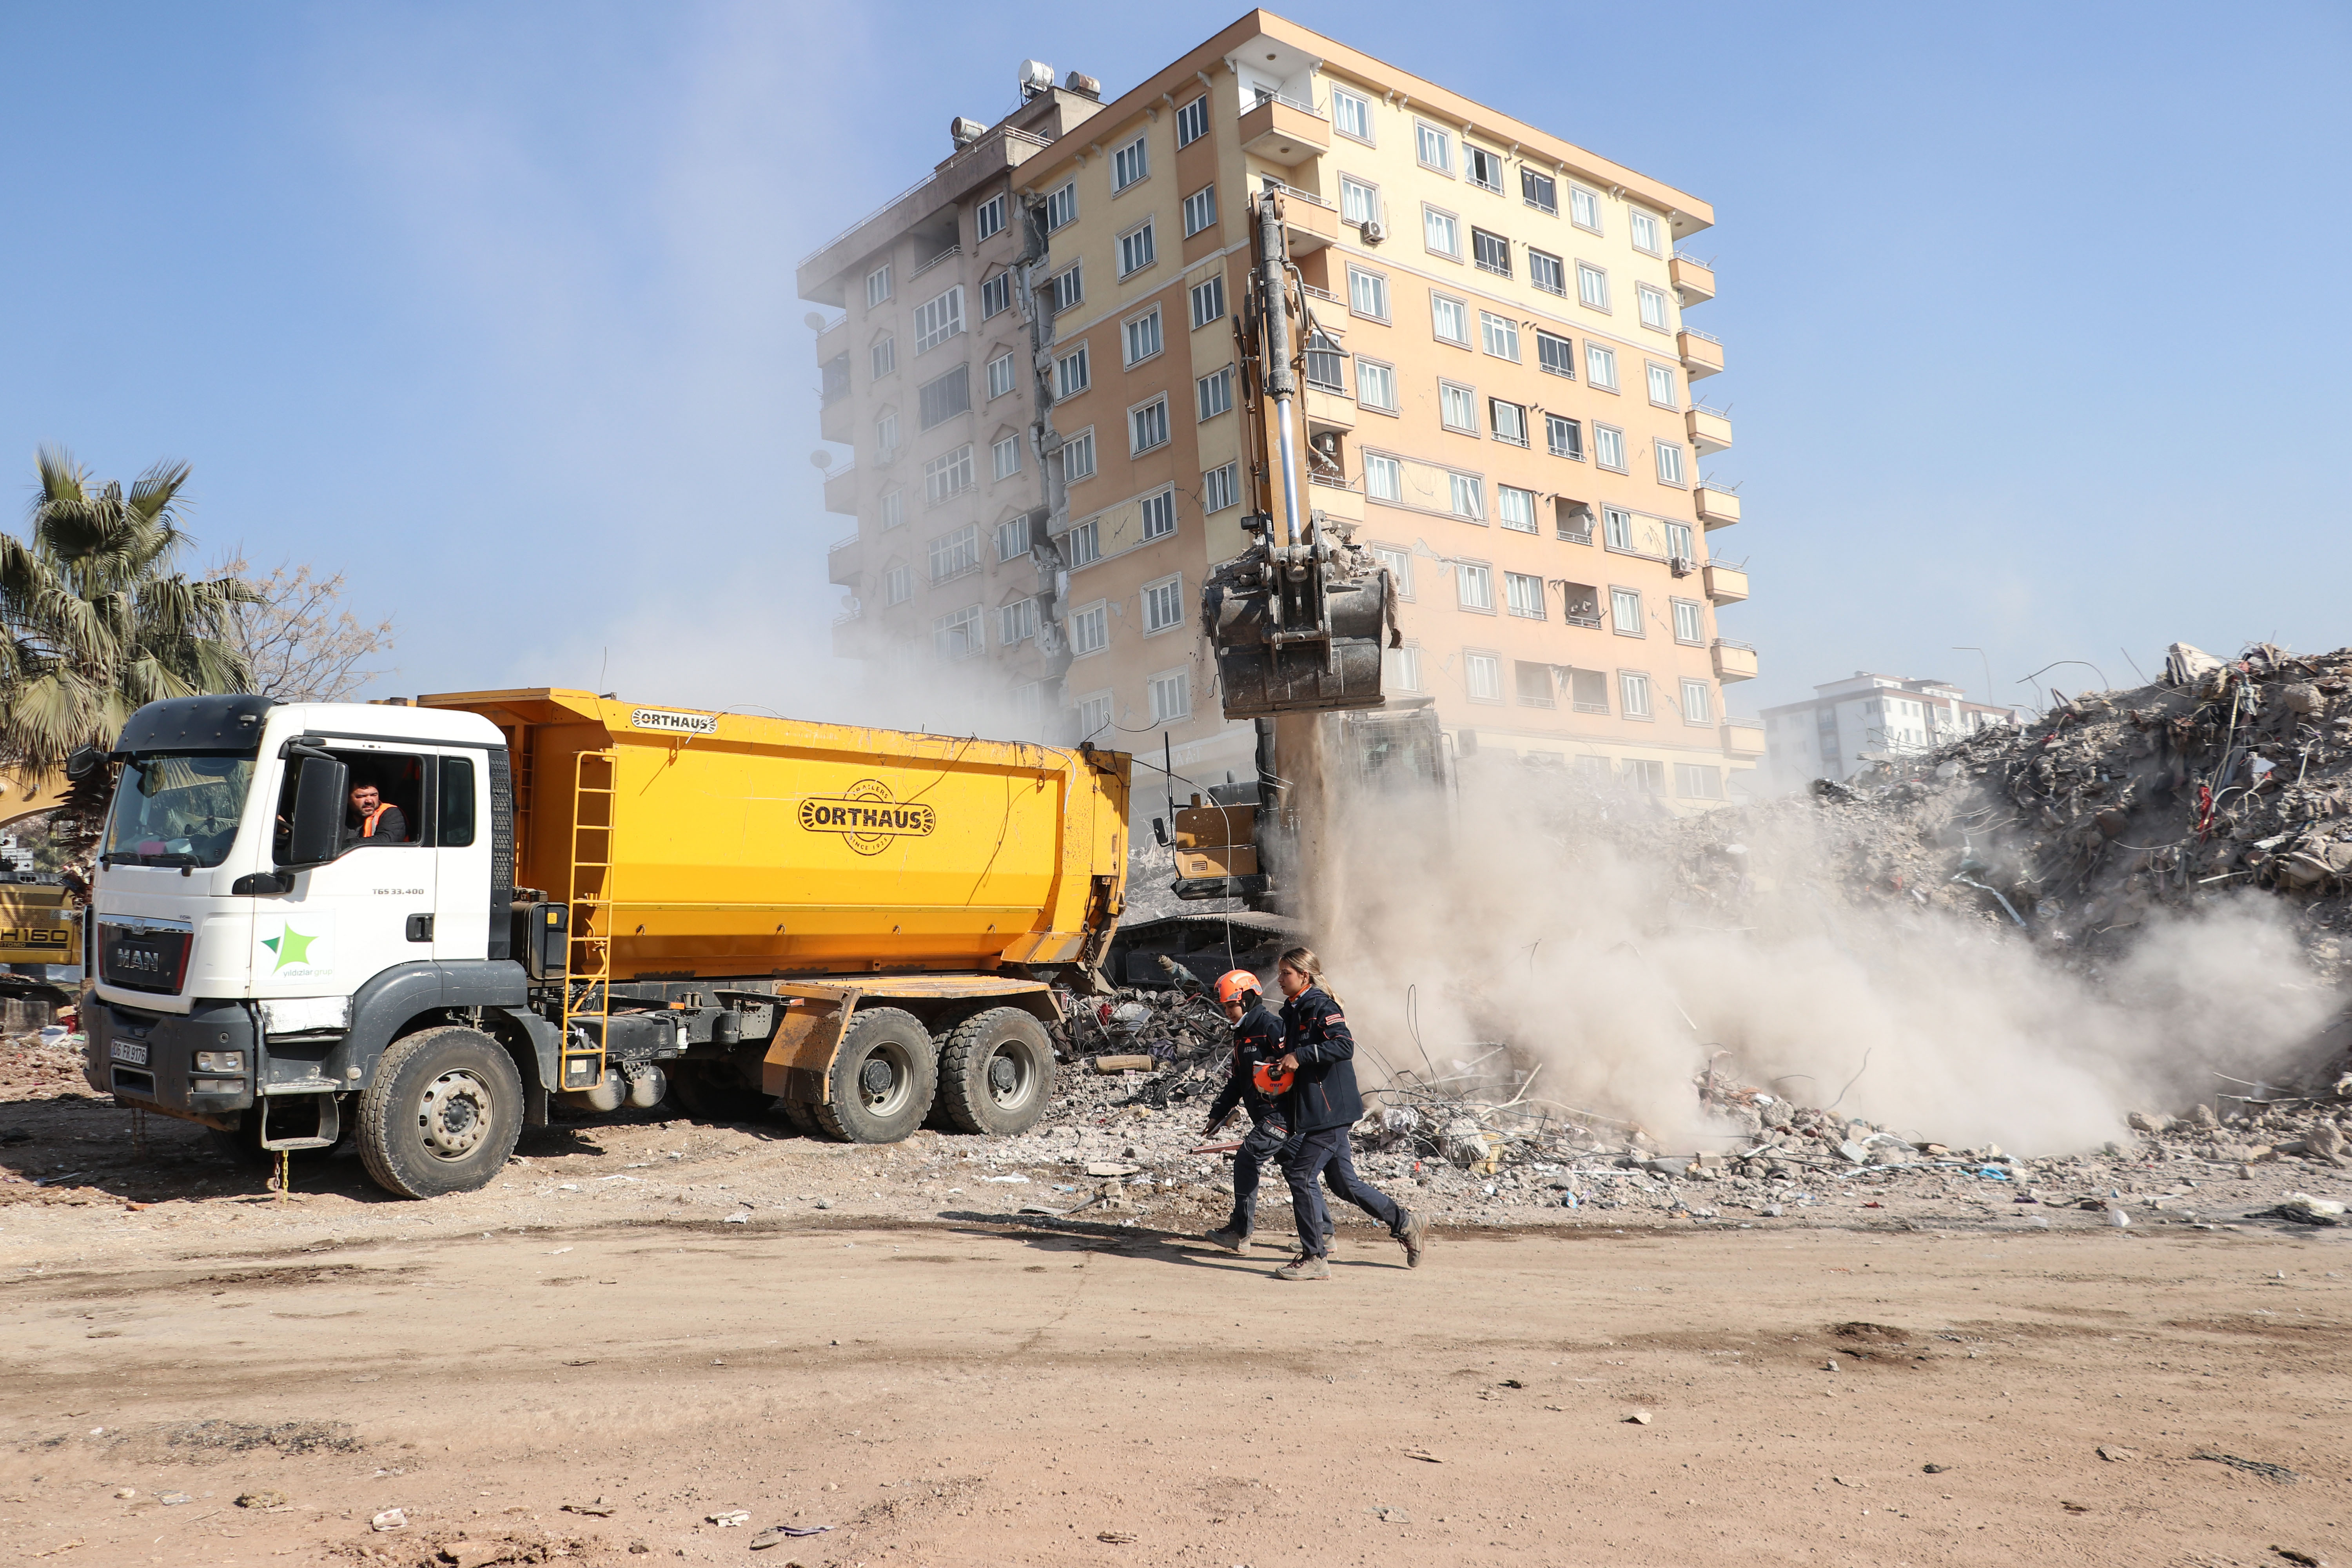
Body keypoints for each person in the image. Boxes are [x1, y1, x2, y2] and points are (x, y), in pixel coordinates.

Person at [1269, 946, 1428, 1280]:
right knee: (1343, 1184)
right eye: (1280, 972)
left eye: (1286, 973)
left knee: (1301, 1175)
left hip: (1332, 1111)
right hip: (1317, 1110)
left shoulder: (1321, 1006)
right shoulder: (1294, 1010)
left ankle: (1315, 1257)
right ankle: (1405, 1222)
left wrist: (1302, 1055)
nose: (1279, 979)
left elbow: (1344, 1045)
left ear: (1304, 976)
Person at [1200, 969, 1289, 1254]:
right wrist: (1218, 1112)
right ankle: (1323, 1232)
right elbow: (1238, 1080)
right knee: (1299, 1172)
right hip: (1269, 1117)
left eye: (1231, 1005)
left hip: (1280, 1117)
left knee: (1247, 1161)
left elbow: (1295, 1069)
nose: (1227, 1012)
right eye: (1225, 1007)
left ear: (1248, 999)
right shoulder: (1242, 1034)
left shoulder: (1272, 1027)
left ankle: (1241, 1233)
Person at [345, 779, 408, 846]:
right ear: (348, 799)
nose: (369, 801)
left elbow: (387, 841)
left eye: (374, 795)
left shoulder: (392, 813)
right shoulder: (341, 815)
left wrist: (345, 844)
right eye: (362, 796)